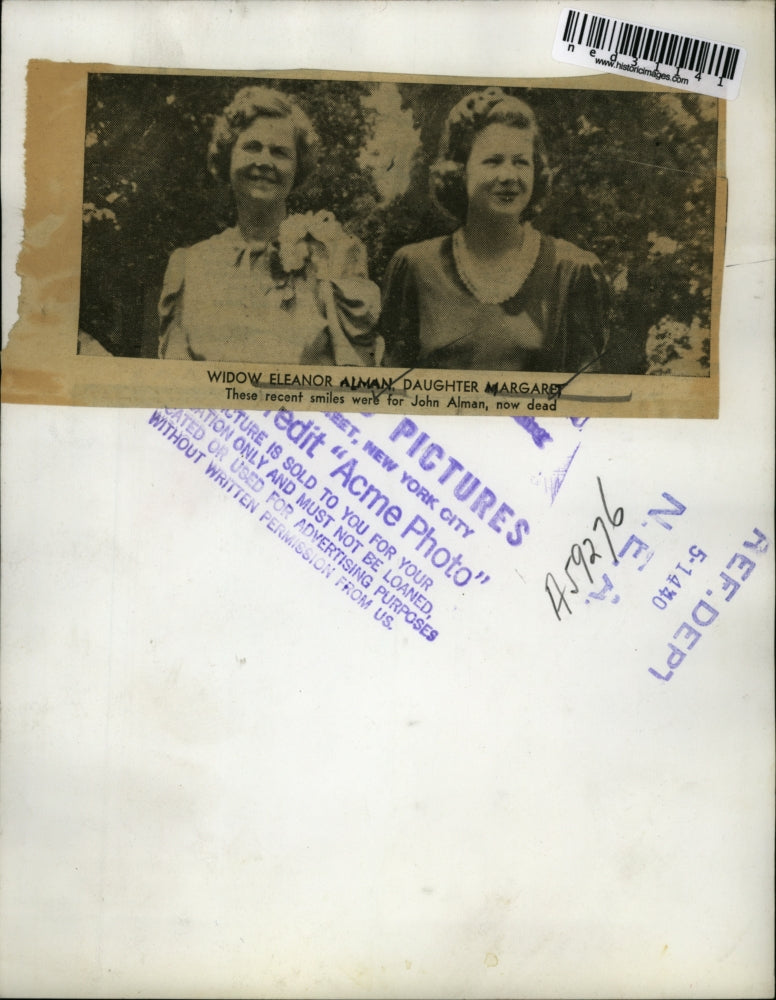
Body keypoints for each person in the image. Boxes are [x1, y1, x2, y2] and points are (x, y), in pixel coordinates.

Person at [380, 88, 609, 372]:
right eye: (493, 161)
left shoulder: (572, 271)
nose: (508, 176)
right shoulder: (414, 267)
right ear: (460, 170)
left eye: (521, 162)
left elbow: (585, 402)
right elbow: (393, 389)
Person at [159, 86, 382, 365]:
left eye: (279, 152)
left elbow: (354, 382)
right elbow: (175, 386)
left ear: (297, 167)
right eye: (252, 147)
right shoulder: (190, 266)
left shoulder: (331, 259)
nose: (264, 162)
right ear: (228, 155)